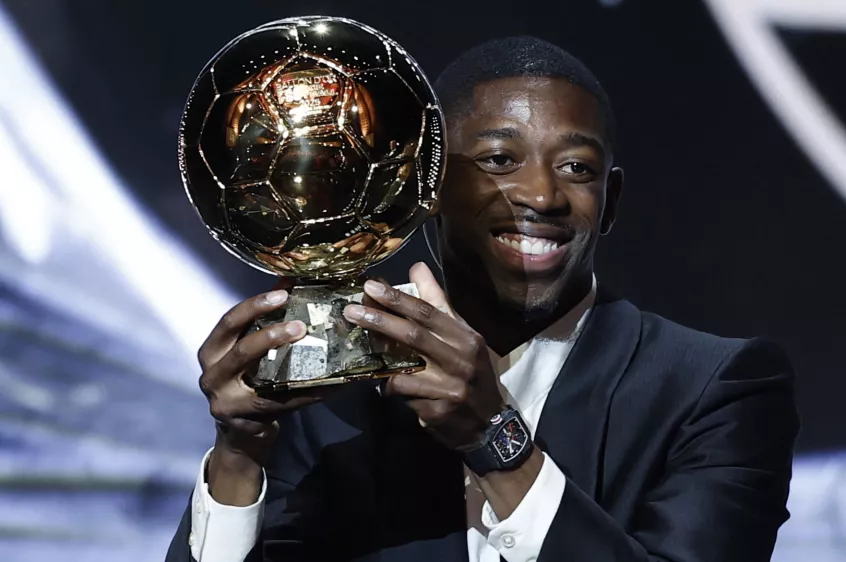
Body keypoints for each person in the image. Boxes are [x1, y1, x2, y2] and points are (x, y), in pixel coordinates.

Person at [166, 36, 799, 562]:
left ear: (613, 202)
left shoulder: (716, 387)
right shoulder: (336, 388)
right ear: (429, 186)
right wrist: (240, 456)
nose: (542, 195)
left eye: (578, 168)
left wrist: (494, 440)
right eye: (499, 159)